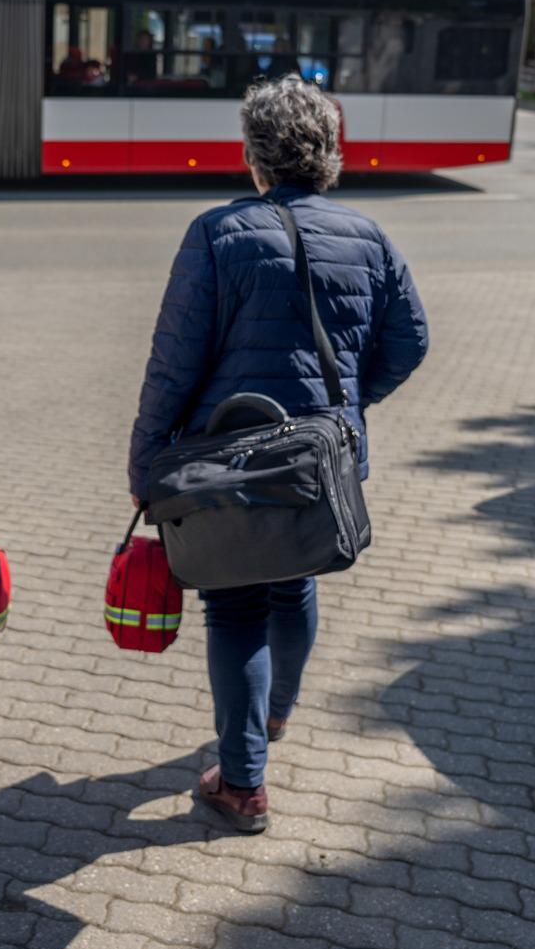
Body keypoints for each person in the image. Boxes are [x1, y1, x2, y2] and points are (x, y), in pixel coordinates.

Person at [127, 75, 429, 832]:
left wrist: (145, 465)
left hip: (229, 462)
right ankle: (276, 718)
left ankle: (243, 781)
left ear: (254, 155)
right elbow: (411, 340)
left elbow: (174, 362)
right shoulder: (370, 236)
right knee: (293, 586)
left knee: (233, 609)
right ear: (329, 152)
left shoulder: (217, 233)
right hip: (320, 461)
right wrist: (348, 409)